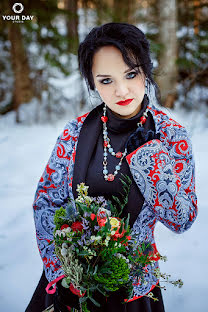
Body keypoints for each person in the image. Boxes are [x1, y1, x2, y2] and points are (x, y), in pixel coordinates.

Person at [25, 22, 198, 312]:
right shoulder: (74, 133)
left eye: (131, 74)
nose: (122, 90)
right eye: (106, 80)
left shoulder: (171, 136)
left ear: (146, 70)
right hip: (73, 289)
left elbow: (182, 219)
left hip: (134, 291)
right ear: (92, 83)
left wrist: (149, 158)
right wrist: (64, 272)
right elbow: (47, 203)